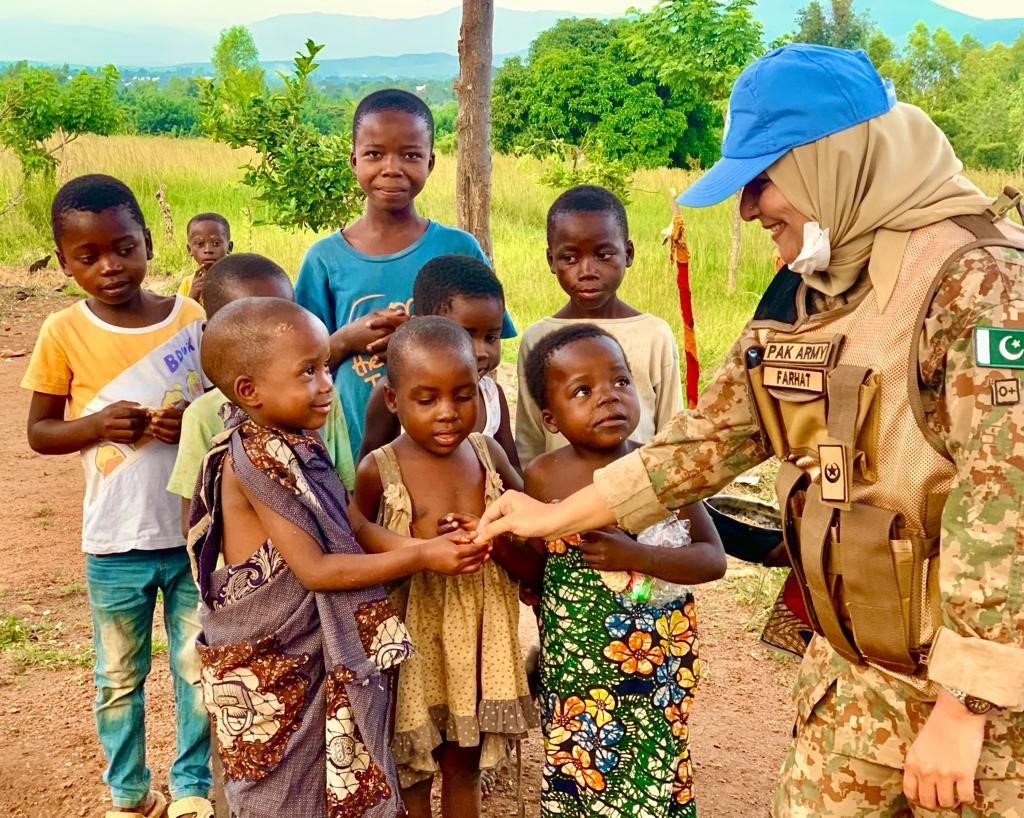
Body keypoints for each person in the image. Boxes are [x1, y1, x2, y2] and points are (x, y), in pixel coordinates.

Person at [476, 44, 1024, 817]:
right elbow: (708, 438)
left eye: (763, 180)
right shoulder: (810, 287)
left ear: (829, 161)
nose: (747, 207)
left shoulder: (982, 283)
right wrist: (555, 516)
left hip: (981, 719)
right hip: (853, 685)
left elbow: (1006, 504)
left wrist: (967, 707)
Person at [189, 298, 491, 818]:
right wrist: (421, 557)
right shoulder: (256, 457)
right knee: (282, 790)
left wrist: (441, 549)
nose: (327, 383)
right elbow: (316, 570)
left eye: (326, 365)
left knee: (324, 781)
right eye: (309, 371)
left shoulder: (298, 442)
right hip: (274, 660)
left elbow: (352, 528)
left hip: (309, 653)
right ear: (248, 390)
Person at [21, 174, 214, 818]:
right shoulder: (61, 331)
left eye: (124, 248)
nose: (110, 266)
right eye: (89, 255)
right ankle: (130, 794)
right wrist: (97, 426)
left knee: (196, 671)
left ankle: (192, 790)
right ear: (64, 260)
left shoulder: (192, 319)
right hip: (114, 541)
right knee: (117, 678)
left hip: (193, 533)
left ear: (149, 244)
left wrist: (189, 416)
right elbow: (41, 432)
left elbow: (224, 407)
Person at [522, 324, 724, 818]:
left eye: (620, 382)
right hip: (578, 664)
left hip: (656, 658)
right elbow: (533, 568)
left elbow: (712, 558)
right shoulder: (543, 476)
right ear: (550, 416)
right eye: (583, 391)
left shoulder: (662, 470)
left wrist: (640, 557)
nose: (608, 398)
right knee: (580, 761)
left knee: (654, 761)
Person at [353, 317, 538, 818]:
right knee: (411, 763)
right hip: (413, 642)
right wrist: (418, 549)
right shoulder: (380, 469)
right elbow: (357, 545)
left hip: (479, 644)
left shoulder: (488, 454)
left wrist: (492, 539)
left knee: (464, 764)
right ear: (393, 400)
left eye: (462, 395)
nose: (448, 413)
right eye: (426, 398)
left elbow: (533, 545)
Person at [295, 89, 515, 457]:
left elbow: (487, 342)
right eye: (375, 154)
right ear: (353, 161)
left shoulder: (458, 248)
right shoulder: (324, 260)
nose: (392, 168)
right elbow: (299, 366)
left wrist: (417, 338)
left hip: (448, 446)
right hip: (349, 447)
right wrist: (347, 339)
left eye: (410, 155)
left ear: (430, 162)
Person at [167, 252, 356, 537]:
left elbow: (345, 493)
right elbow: (193, 523)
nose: (277, 329)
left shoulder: (322, 399)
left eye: (285, 312)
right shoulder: (204, 416)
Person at [515, 184, 683, 467]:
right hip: (561, 500)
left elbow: (672, 432)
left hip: (640, 492)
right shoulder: (539, 338)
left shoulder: (654, 335)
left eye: (603, 255)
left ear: (628, 254)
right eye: (570, 258)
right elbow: (530, 438)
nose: (587, 271)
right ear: (551, 260)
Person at [358, 254, 519, 469]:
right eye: (466, 335)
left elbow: (512, 468)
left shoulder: (491, 398)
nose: (481, 352)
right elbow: (369, 465)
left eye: (491, 337)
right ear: (421, 326)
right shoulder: (397, 394)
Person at [177, 212, 232, 304]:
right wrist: (192, 296)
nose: (208, 250)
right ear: (189, 249)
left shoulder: (237, 282)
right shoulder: (188, 284)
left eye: (216, 243)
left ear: (229, 247)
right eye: (200, 244)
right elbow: (181, 316)